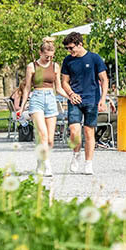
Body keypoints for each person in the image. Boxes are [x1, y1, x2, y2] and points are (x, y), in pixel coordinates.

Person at [59, 32, 109, 175]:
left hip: (91, 99)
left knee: (88, 132)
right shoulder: (68, 60)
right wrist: (71, 94)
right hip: (75, 100)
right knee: (74, 131)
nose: (69, 51)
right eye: (67, 48)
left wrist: (103, 99)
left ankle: (88, 163)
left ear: (80, 44)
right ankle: (76, 154)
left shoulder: (94, 58)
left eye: (71, 48)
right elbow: (64, 82)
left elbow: (104, 80)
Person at [19, 38, 68, 176]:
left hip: (51, 99)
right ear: (40, 53)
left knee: (50, 141)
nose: (49, 59)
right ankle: (47, 166)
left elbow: (58, 87)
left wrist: (70, 97)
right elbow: (27, 88)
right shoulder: (32, 66)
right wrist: (22, 107)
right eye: (47, 56)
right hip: (37, 99)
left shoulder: (55, 66)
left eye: (51, 56)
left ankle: (40, 162)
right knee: (43, 134)